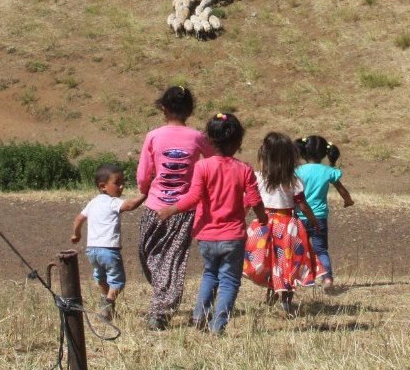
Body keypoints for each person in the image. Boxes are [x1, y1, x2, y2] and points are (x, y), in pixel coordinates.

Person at [159, 113, 267, 335]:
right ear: (238, 143)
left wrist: (171, 209)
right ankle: (218, 325)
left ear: (209, 140)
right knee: (229, 281)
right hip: (233, 237)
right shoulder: (244, 169)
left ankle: (200, 316)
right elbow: (255, 200)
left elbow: (194, 196)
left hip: (206, 235)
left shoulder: (202, 167)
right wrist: (263, 218)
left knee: (210, 274)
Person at [136, 86, 211, 330]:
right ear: (189, 110)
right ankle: (163, 293)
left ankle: (160, 312)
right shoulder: (161, 136)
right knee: (154, 257)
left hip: (180, 208)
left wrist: (144, 187)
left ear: (163, 108)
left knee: (168, 259)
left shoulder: (185, 137)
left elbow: (143, 174)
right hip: (163, 207)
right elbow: (213, 163)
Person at [244, 133, 323, 317]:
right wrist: (314, 221)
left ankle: (272, 295)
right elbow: (302, 205)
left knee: (270, 261)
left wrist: (241, 219)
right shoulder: (293, 180)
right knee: (287, 263)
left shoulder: (258, 178)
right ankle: (286, 301)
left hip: (264, 224)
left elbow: (249, 203)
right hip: (288, 225)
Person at [70, 164, 146, 320]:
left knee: (101, 277)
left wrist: (76, 235)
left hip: (92, 250)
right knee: (118, 282)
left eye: (122, 182)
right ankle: (107, 304)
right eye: (117, 183)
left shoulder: (93, 202)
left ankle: (107, 306)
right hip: (109, 250)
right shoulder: (112, 202)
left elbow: (78, 218)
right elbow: (130, 205)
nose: (121, 186)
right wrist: (146, 193)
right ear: (103, 186)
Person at [294, 135, 354, 287]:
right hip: (319, 217)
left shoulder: (297, 171)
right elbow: (342, 190)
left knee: (300, 249)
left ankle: (302, 278)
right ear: (323, 154)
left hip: (300, 215)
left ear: (303, 152)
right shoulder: (328, 171)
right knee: (321, 249)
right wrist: (348, 201)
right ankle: (327, 278)